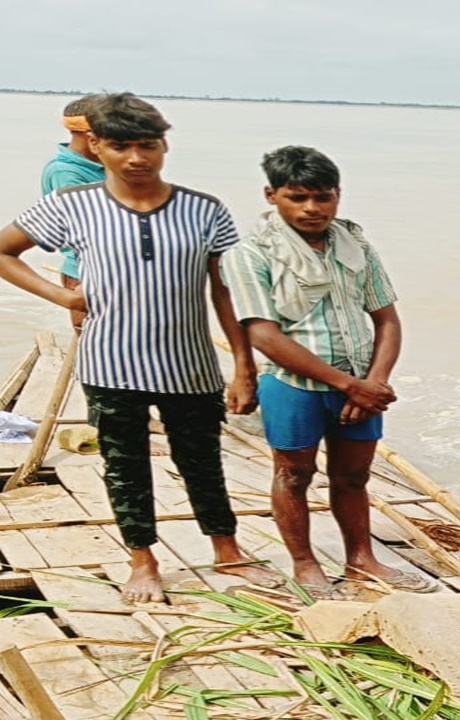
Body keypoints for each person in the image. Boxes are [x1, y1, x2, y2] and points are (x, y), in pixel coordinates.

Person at [0, 92, 281, 603]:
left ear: (165, 146)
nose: (136, 157)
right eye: (121, 145)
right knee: (125, 465)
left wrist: (244, 365)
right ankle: (143, 561)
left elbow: (226, 292)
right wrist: (63, 294)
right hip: (110, 363)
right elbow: (4, 250)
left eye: (147, 144)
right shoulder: (72, 206)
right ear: (98, 147)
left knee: (202, 460)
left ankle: (228, 551)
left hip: (189, 366)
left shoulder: (205, 210)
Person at [220, 145, 436, 598]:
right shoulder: (250, 255)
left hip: (359, 385)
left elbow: (386, 319)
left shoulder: (355, 246)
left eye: (323, 197)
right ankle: (305, 562)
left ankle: (361, 559)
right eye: (297, 198)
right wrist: (351, 385)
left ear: (338, 195)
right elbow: (264, 335)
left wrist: (373, 383)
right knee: (294, 474)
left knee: (354, 476)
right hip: (294, 386)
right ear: (271, 195)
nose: (312, 209)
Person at [41, 94, 106, 332]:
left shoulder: (104, 165)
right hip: (86, 275)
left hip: (113, 272)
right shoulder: (66, 172)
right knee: (96, 345)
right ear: (90, 135)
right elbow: (93, 230)